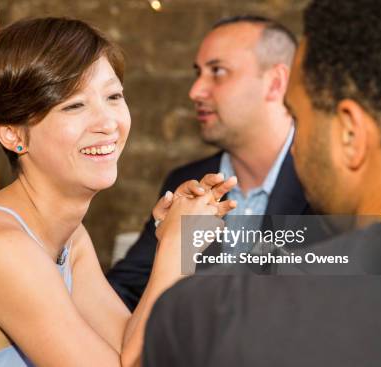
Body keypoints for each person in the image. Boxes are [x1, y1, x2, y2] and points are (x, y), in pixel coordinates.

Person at [0, 17, 236, 366]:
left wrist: (176, 240)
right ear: (13, 135)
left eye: (113, 96)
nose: (107, 123)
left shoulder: (69, 238)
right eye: (74, 105)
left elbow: (133, 352)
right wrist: (176, 246)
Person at [143, 0, 381, 366]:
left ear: (350, 134)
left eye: (296, 113)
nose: (295, 144)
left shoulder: (229, 313)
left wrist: (174, 247)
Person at [107, 15, 309, 311]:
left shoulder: (324, 181)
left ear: (276, 83)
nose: (195, 91)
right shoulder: (187, 181)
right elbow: (126, 288)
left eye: (217, 71)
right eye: (198, 73)